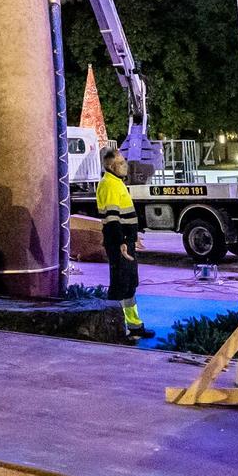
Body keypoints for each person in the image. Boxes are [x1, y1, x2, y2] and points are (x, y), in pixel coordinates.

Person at [97, 146, 153, 341]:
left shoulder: (116, 183)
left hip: (125, 242)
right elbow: (112, 219)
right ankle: (116, 329)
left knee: (129, 284)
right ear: (111, 166)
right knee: (120, 285)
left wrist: (133, 236)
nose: (125, 165)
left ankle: (134, 326)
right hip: (118, 243)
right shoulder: (109, 184)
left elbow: (124, 215)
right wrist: (121, 241)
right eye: (121, 163)